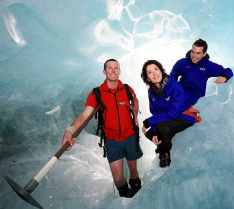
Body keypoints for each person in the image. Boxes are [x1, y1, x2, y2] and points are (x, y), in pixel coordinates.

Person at [62, 59, 143, 198]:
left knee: (133, 170)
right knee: (118, 179)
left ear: (119, 71)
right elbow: (85, 115)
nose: (113, 70)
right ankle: (127, 198)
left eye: (116, 68)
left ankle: (138, 197)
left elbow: (135, 100)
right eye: (109, 68)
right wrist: (69, 131)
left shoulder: (127, 89)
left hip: (130, 137)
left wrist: (135, 116)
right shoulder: (97, 93)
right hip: (112, 141)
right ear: (104, 71)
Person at [141, 60, 197, 168]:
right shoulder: (151, 92)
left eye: (156, 69)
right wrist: (153, 132)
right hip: (169, 119)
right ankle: (161, 144)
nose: (154, 74)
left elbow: (172, 113)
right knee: (150, 132)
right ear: (147, 78)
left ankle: (164, 153)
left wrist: (149, 122)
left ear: (161, 70)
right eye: (150, 72)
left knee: (163, 127)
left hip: (185, 116)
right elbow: (156, 113)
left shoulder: (175, 87)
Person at [170, 38, 234, 105]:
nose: (194, 56)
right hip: (178, 93)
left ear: (204, 54)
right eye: (193, 52)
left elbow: (227, 71)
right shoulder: (182, 62)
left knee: (173, 109)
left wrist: (224, 76)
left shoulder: (208, 66)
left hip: (192, 97)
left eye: (198, 53)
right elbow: (172, 76)